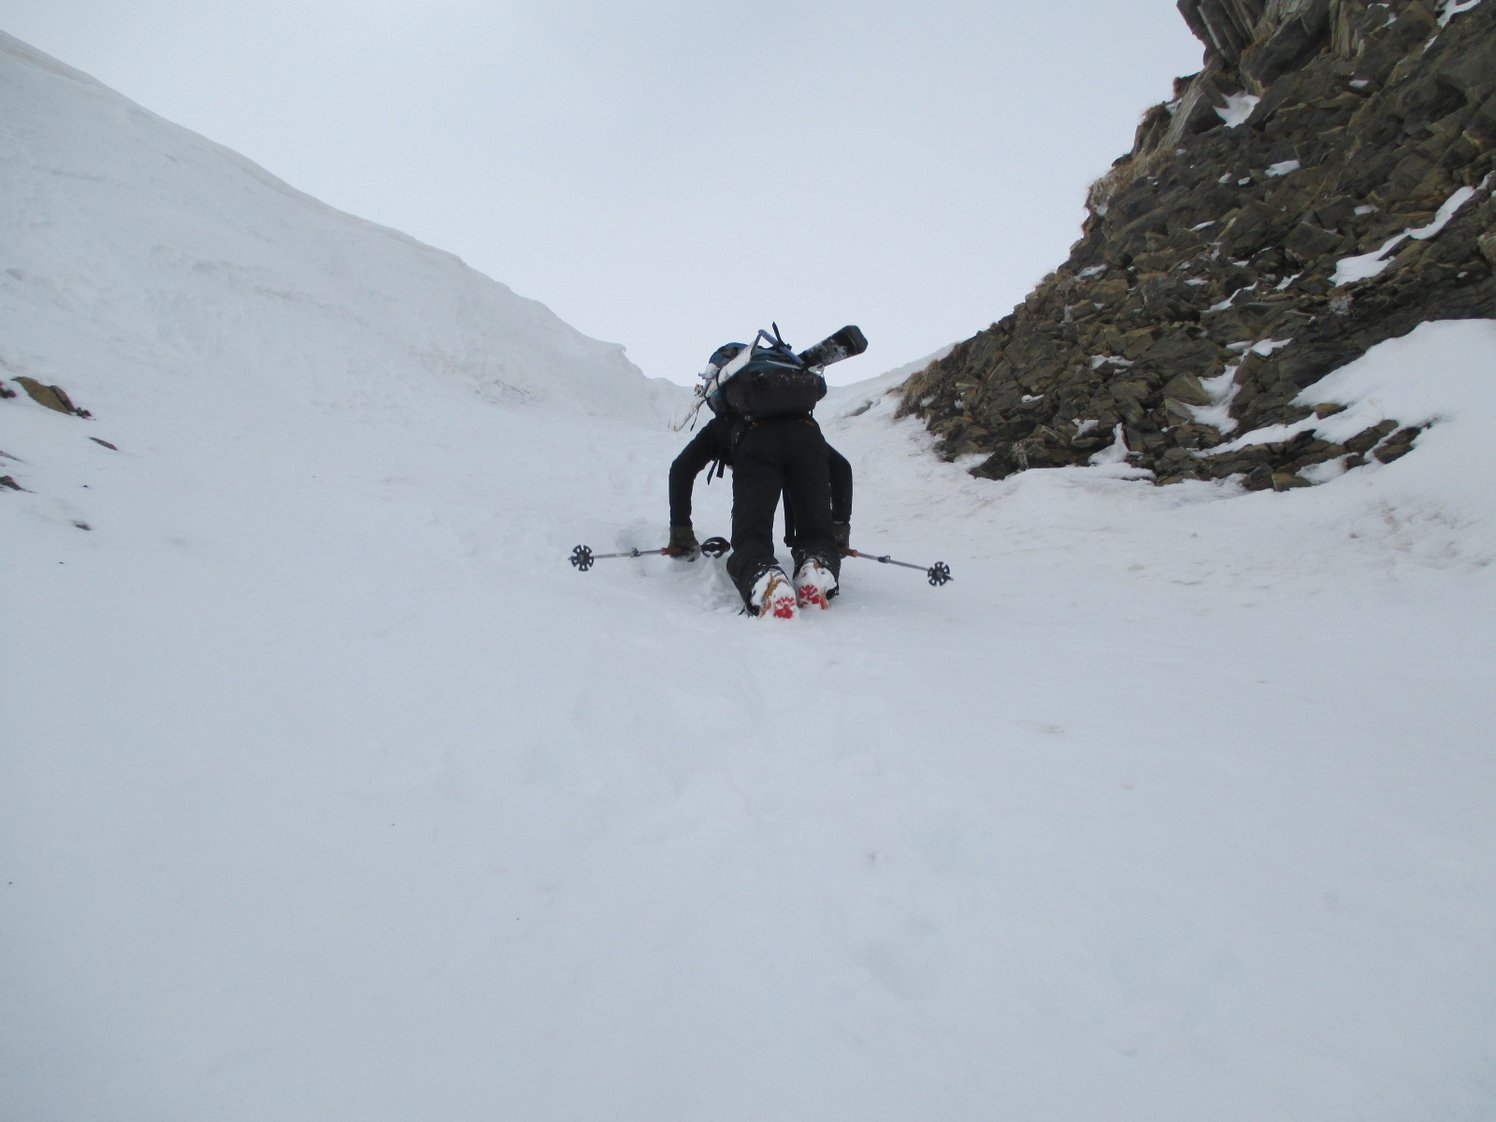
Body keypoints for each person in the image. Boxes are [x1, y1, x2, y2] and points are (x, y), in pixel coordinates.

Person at [669, 345, 850, 618]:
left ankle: (765, 579)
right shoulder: (801, 418)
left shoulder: (729, 420)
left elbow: (681, 469)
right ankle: (816, 567)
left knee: (751, 539)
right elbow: (841, 468)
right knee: (817, 536)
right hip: (808, 441)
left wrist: (681, 533)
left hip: (755, 444)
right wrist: (838, 531)